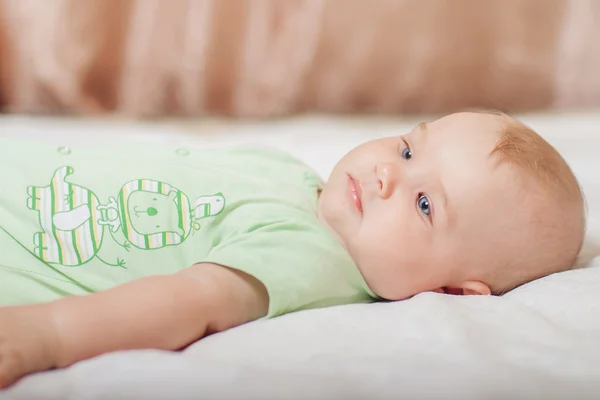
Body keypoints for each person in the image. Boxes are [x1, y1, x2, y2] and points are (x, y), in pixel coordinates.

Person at [0, 111, 585, 387]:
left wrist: (46, 335)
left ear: (451, 290)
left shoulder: (311, 260)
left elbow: (187, 301)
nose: (386, 173)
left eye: (425, 204)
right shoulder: (291, 172)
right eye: (409, 150)